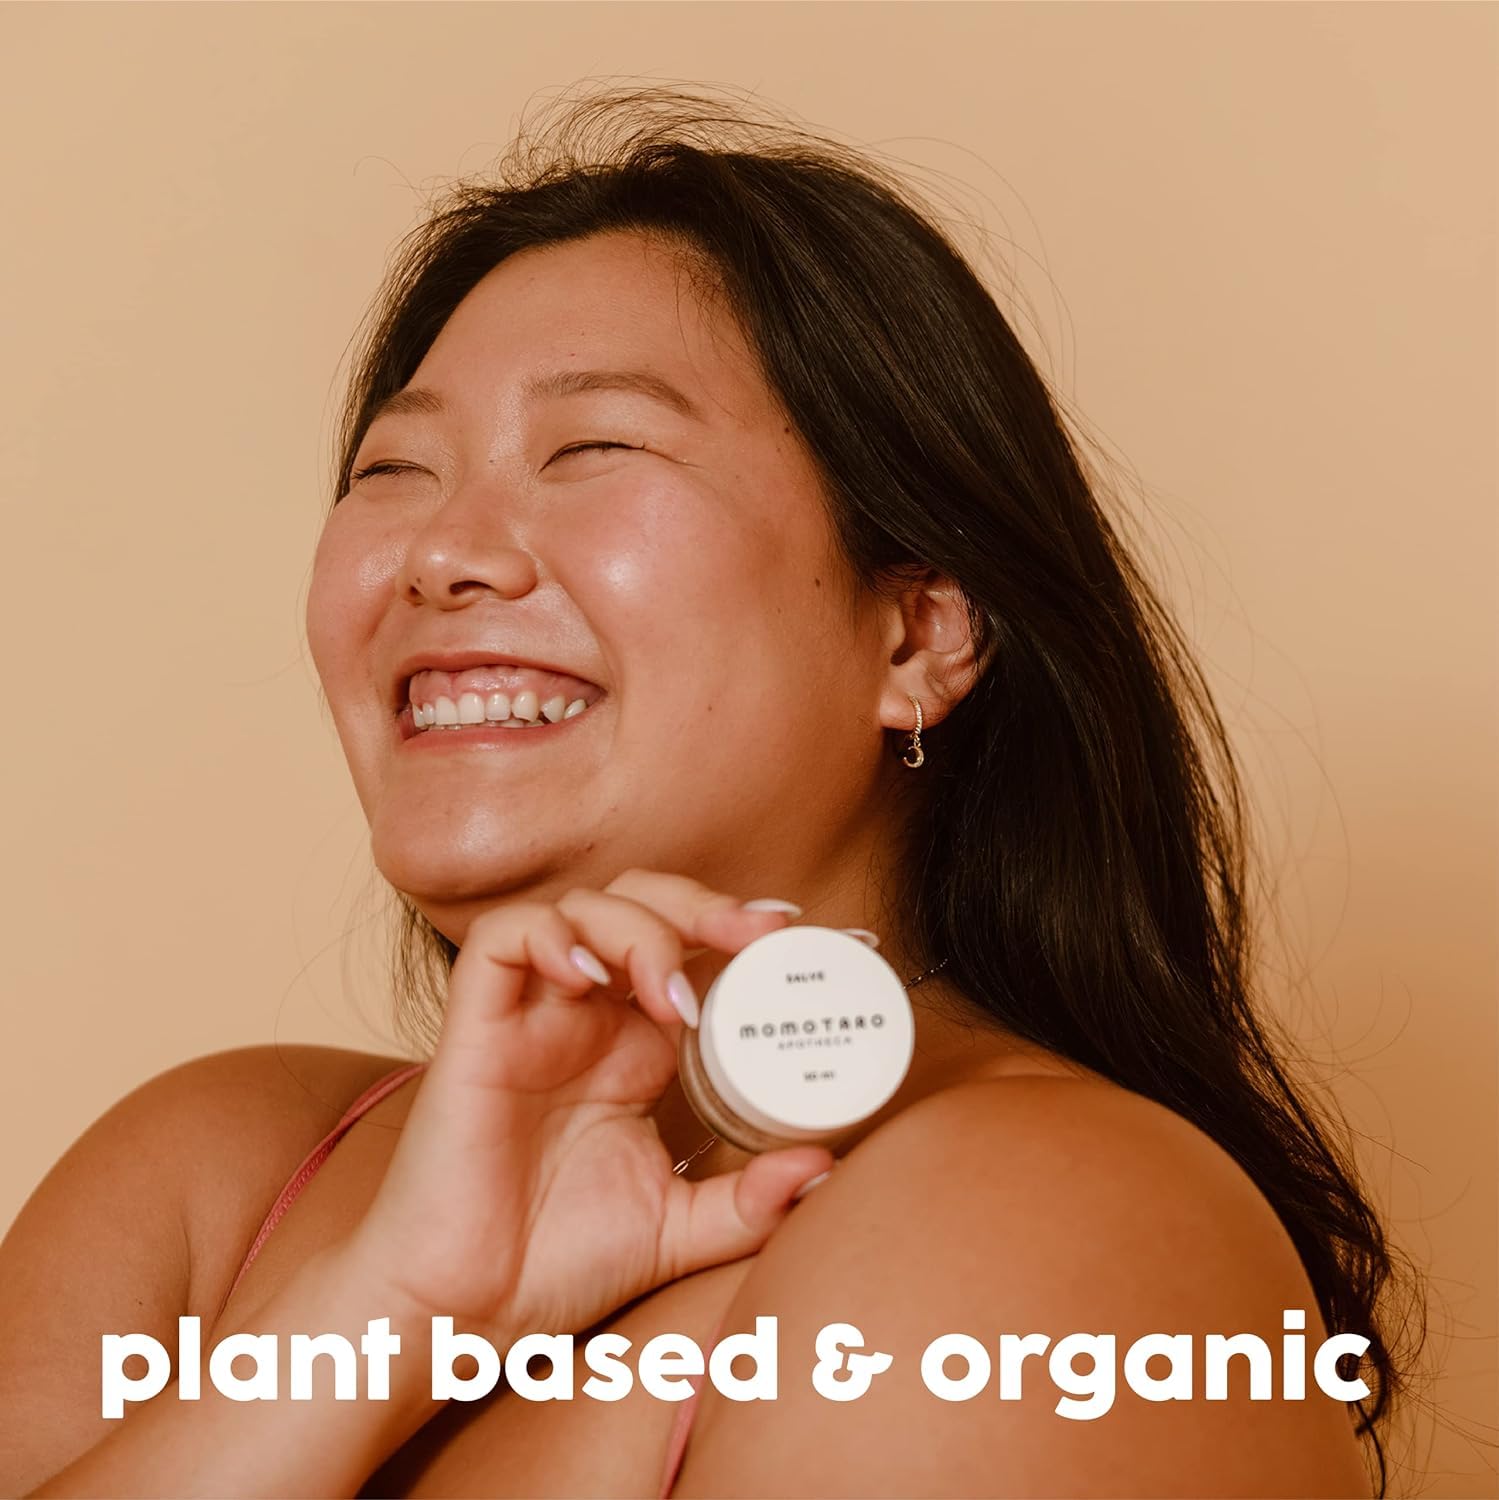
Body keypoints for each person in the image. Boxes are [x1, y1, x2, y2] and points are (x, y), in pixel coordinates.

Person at [0, 86, 1410, 1497]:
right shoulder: (213, 1176)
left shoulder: (1045, 1216)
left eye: (593, 448)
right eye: (394, 468)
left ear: (916, 637)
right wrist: (397, 1313)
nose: (441, 553)